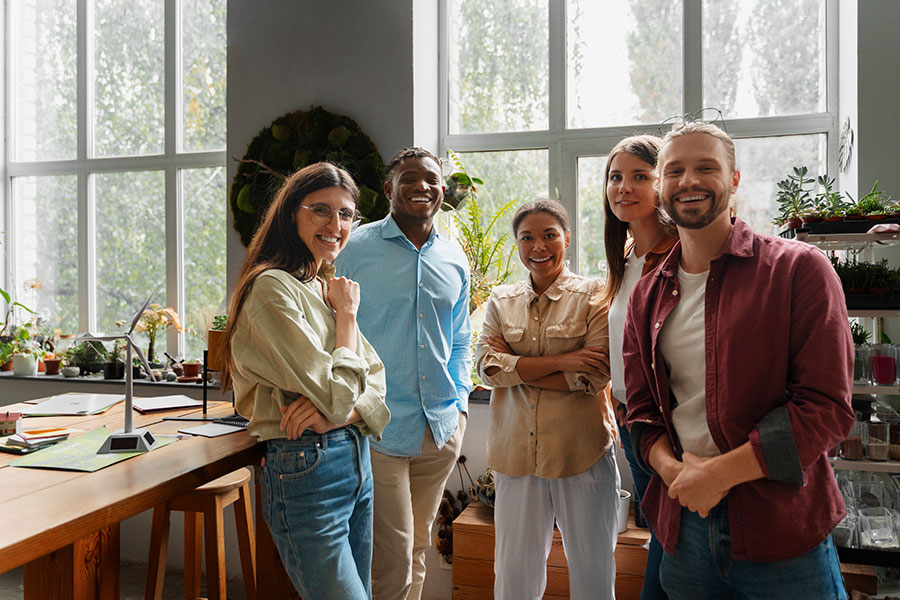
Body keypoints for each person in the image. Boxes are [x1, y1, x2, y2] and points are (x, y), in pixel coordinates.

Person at [624, 121, 854, 599]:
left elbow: (826, 408)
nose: (689, 181)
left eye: (706, 167)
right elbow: (642, 412)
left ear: (733, 179)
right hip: (685, 528)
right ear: (662, 186)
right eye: (675, 170)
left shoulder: (798, 270)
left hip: (781, 528)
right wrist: (677, 475)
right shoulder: (646, 295)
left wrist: (719, 475)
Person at [222, 162, 391, 599]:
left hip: (354, 459)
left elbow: (377, 380)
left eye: (346, 214)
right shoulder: (272, 289)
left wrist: (340, 416)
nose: (336, 225)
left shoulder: (322, 286)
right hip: (306, 467)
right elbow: (341, 394)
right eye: (321, 210)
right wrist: (348, 317)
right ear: (291, 214)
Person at [334, 148, 471, 600]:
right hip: (378, 429)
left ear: (443, 189)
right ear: (389, 189)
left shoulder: (454, 258)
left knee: (417, 547)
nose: (423, 186)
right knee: (391, 554)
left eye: (431, 179)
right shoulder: (353, 249)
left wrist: (462, 405)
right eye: (409, 178)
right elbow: (330, 328)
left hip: (439, 430)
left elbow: (459, 340)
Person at [476, 198, 619, 600]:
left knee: (593, 572)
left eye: (549, 235)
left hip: (582, 454)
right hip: (515, 456)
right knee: (514, 576)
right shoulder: (501, 301)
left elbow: (593, 376)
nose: (538, 247)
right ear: (517, 244)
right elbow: (486, 368)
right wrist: (562, 360)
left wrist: (517, 370)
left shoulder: (595, 295)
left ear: (567, 239)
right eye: (527, 238)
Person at [602, 134, 677, 600]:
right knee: (663, 539)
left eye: (638, 177)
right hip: (631, 420)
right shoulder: (628, 256)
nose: (623, 188)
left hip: (667, 426)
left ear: (662, 184)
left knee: (672, 542)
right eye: (615, 177)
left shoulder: (678, 255)